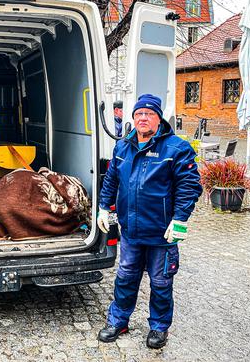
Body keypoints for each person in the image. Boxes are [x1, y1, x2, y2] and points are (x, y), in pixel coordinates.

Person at [96, 94, 202, 349]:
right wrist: (103, 207)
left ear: (159, 118)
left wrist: (180, 219)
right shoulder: (122, 147)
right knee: (125, 278)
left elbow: (190, 186)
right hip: (131, 231)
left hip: (161, 234)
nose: (143, 118)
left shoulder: (177, 148)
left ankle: (159, 327)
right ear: (133, 118)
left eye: (149, 114)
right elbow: (111, 180)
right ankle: (118, 320)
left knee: (161, 282)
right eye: (139, 114)